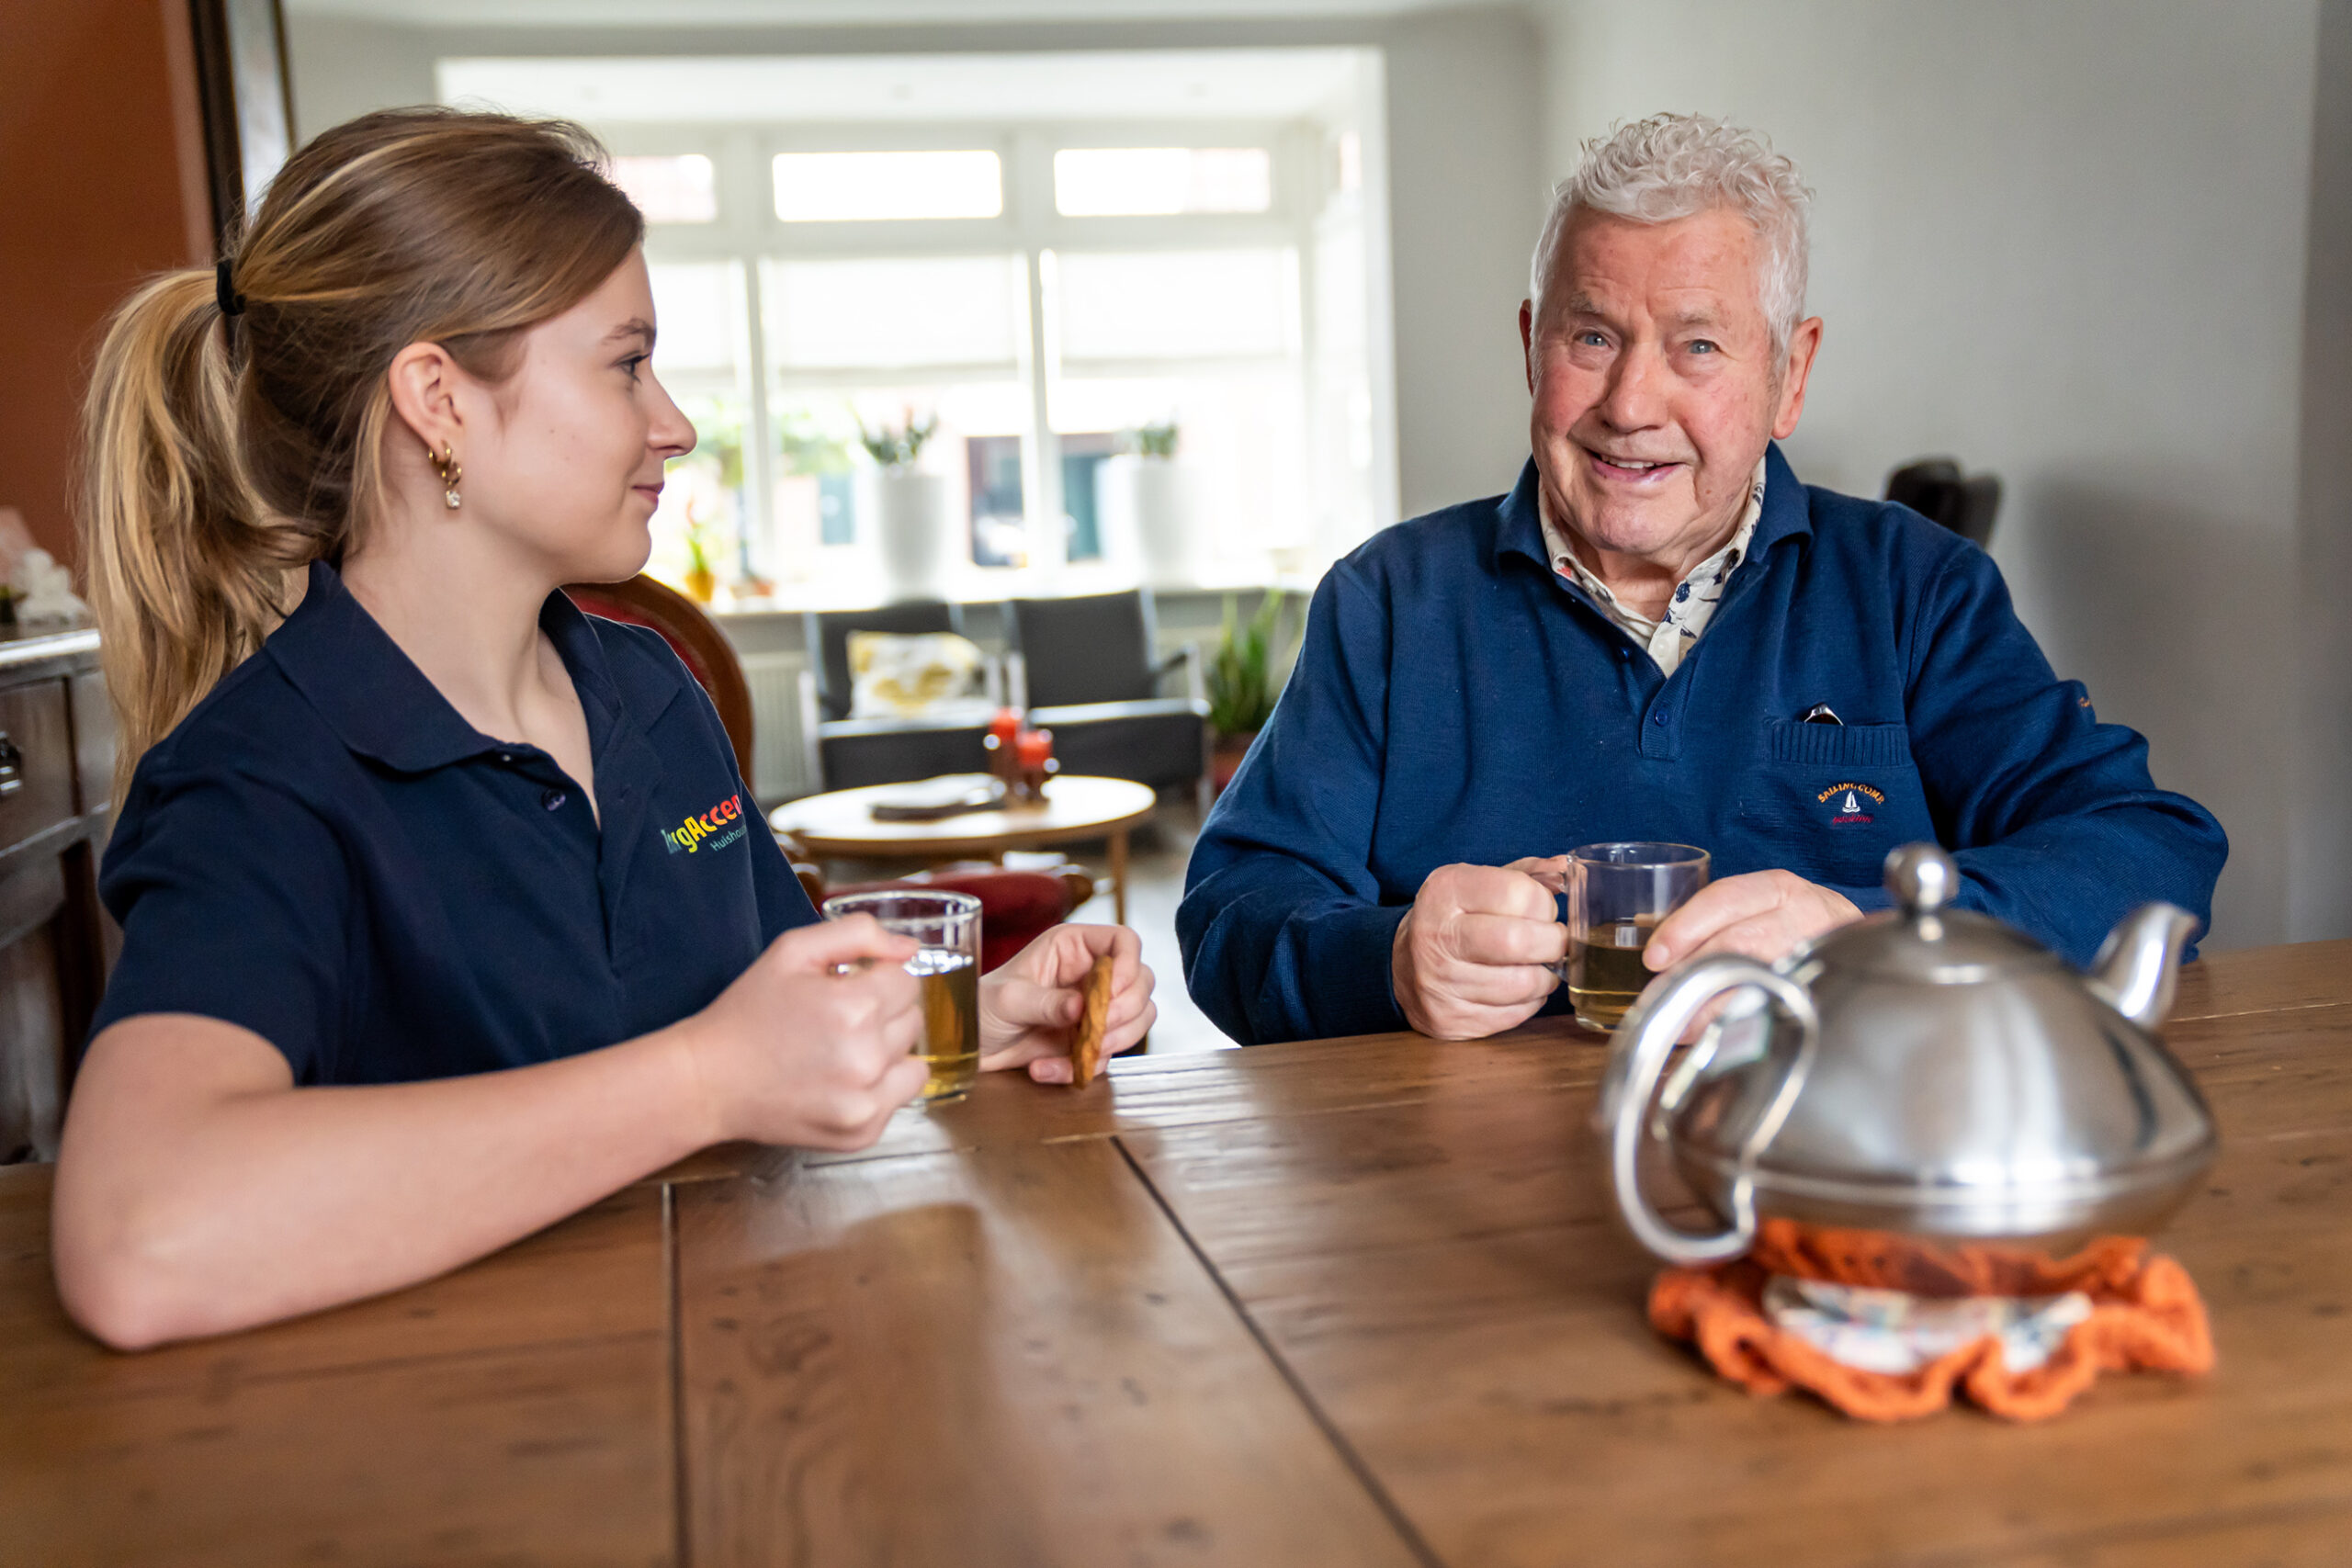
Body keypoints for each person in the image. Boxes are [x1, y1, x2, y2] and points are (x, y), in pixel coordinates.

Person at [55, 108, 1156, 1351]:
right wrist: (702, 1080)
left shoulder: (649, 689)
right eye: (626, 363)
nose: (674, 422)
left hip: (744, 1382)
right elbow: (139, 1237)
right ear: (438, 402)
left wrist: (973, 1018)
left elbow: (774, 1019)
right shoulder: (262, 780)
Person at [1180, 112, 2224, 1046]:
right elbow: (1231, 913)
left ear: (1790, 374)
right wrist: (1391, 960)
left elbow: (2149, 852)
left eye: (1697, 347)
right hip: (1457, 1192)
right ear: (1530, 348)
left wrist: (1865, 932)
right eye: (1591, 337)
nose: (1631, 403)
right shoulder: (1387, 604)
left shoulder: (1915, 587)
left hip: (1838, 1172)